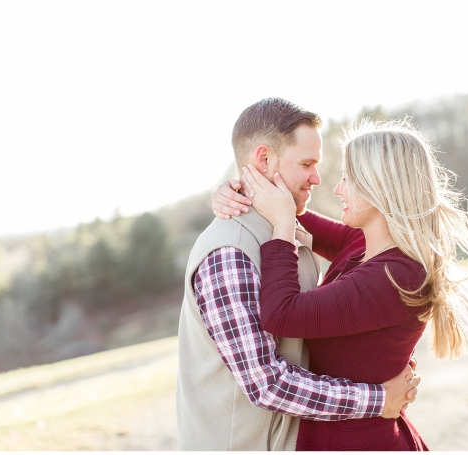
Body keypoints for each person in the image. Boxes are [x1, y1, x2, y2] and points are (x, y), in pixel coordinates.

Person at [213, 118, 468, 450]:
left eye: (348, 178)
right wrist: (236, 190)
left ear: (379, 187)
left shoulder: (395, 277)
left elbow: (280, 313)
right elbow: (288, 204)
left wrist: (281, 225)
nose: (337, 189)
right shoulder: (363, 245)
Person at [176, 98, 420, 451]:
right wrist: (378, 399)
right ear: (263, 160)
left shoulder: (289, 232)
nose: (319, 179)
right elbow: (267, 385)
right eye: (306, 163)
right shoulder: (229, 254)